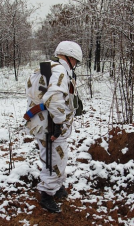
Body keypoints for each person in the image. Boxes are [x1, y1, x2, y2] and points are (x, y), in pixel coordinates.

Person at [36, 41, 83, 213]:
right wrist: (57, 124)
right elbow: (53, 98)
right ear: (70, 57)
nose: (76, 65)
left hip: (44, 123)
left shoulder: (48, 67)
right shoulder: (60, 71)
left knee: (52, 157)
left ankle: (55, 187)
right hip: (52, 125)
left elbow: (43, 95)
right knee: (55, 159)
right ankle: (47, 194)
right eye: (76, 61)